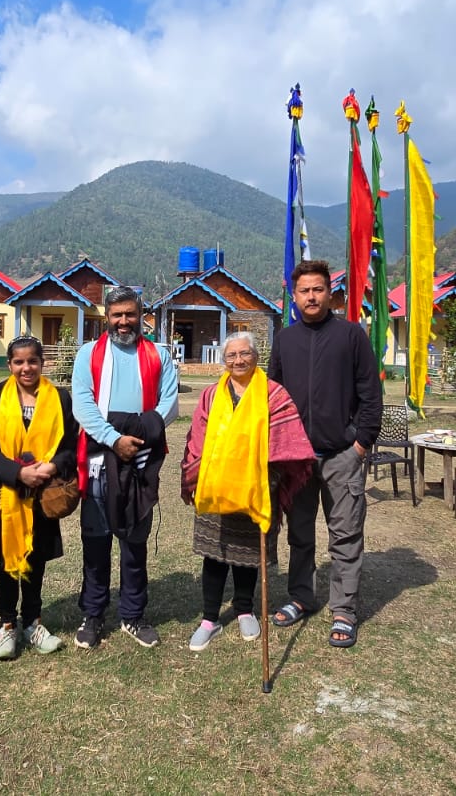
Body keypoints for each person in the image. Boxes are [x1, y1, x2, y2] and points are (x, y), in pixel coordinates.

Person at [267, 259, 382, 649]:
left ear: (330, 292)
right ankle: (301, 595)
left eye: (318, 289)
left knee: (345, 534)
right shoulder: (284, 339)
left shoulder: (352, 336)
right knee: (299, 533)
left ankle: (344, 610)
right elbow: (273, 396)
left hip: (341, 455)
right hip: (297, 458)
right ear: (294, 296)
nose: (312, 296)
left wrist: (360, 444)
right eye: (304, 291)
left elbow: (371, 395)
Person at [180, 331, 314, 651]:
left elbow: (286, 436)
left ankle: (244, 610)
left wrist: (273, 471)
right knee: (216, 555)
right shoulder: (212, 395)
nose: (238, 360)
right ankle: (209, 619)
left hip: (255, 486)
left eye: (245, 354)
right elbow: (197, 437)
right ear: (223, 361)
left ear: (256, 357)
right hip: (216, 487)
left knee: (247, 557)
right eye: (231, 355)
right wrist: (196, 473)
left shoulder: (272, 394)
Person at [71, 286, 179, 649]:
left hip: (142, 458)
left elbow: (170, 404)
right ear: (106, 317)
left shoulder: (158, 355)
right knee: (96, 541)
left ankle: (133, 615)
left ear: (141, 314)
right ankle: (93, 613)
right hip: (100, 458)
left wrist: (141, 436)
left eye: (130, 314)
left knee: (134, 542)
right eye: (116, 315)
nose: (123, 321)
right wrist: (113, 438)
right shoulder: (89, 354)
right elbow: (82, 405)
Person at [0, 336, 78, 660]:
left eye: (32, 360)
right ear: (9, 365)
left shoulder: (60, 398)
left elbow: (70, 447)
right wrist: (18, 474)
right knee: (7, 560)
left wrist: (50, 467)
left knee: (36, 558)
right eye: (18, 362)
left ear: (42, 362)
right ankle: (7, 625)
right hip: (4, 494)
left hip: (43, 493)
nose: (26, 367)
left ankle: (33, 622)